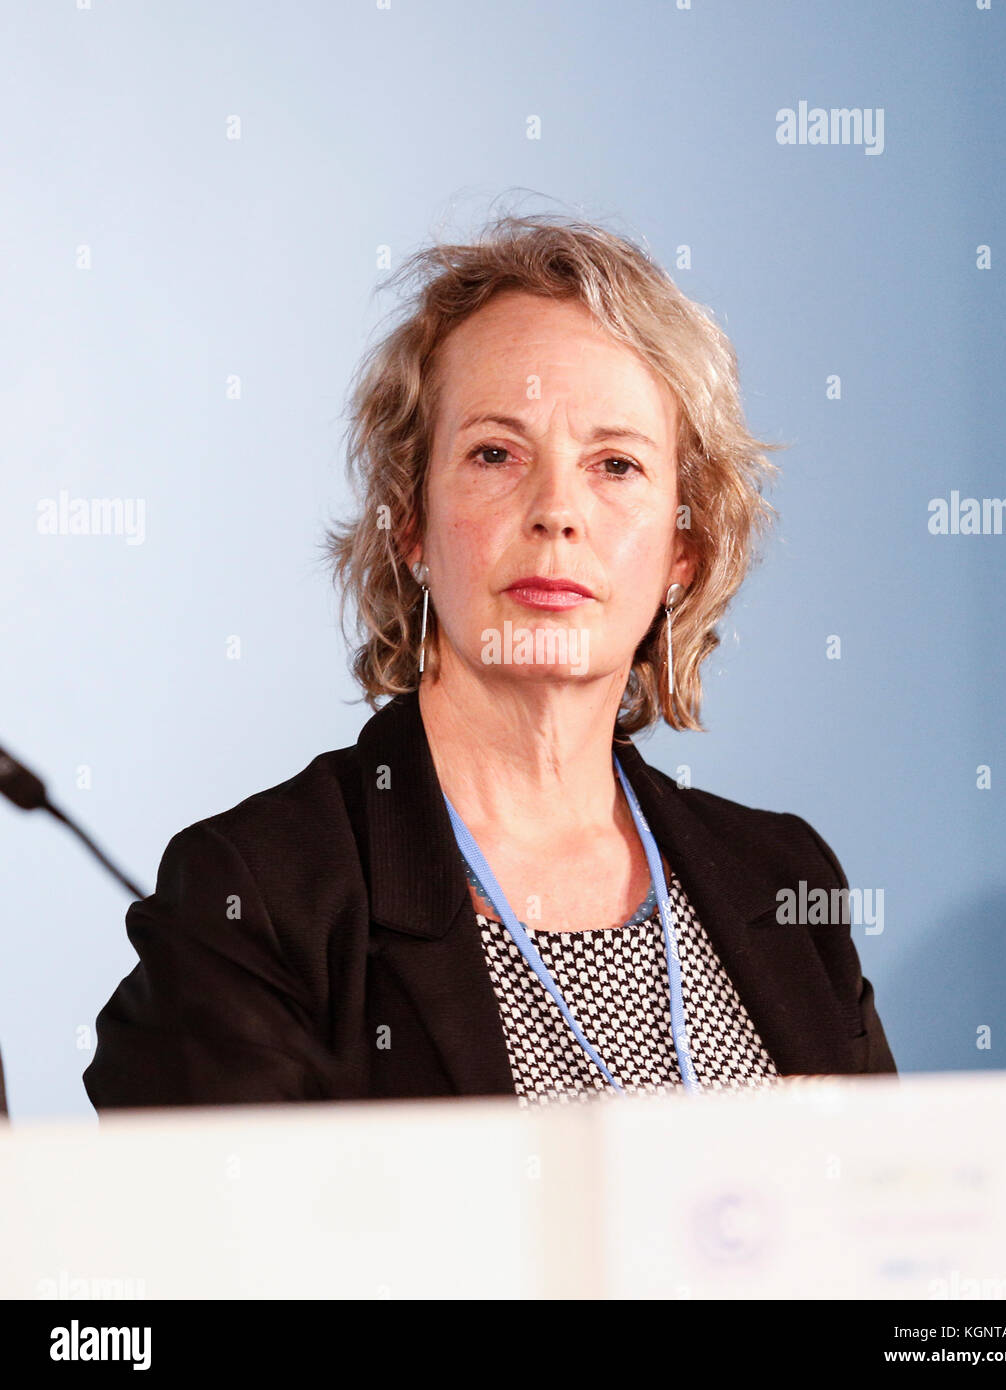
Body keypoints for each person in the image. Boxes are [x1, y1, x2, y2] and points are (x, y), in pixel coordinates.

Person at [83, 213, 895, 1113]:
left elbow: (883, 1225)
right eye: (495, 454)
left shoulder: (783, 878)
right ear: (410, 524)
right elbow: (218, 1241)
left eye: (616, 465)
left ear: (684, 553)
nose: (557, 512)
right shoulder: (258, 896)